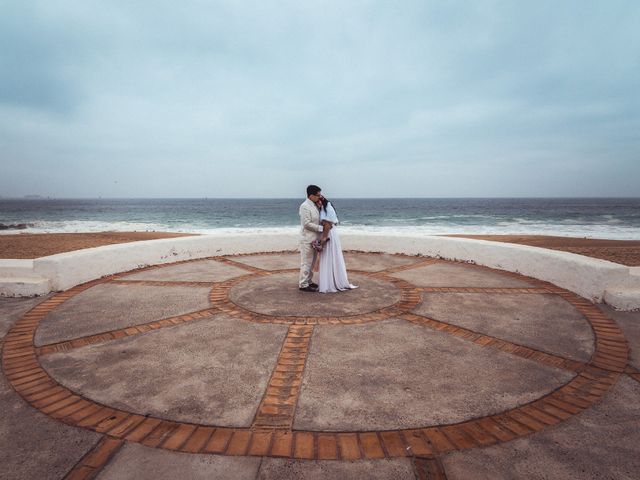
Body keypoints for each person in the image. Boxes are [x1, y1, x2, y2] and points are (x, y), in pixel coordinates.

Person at [316, 196, 358, 293]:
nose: (317, 204)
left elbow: (327, 225)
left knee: (328, 257)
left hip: (329, 234)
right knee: (333, 257)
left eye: (318, 202)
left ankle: (329, 283)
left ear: (321, 201)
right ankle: (333, 280)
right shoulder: (328, 208)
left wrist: (323, 238)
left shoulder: (324, 209)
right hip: (333, 234)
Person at [298, 185, 323, 292]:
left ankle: (309, 281)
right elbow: (307, 224)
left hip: (315, 239)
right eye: (318, 195)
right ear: (311, 195)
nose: (320, 197)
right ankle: (303, 284)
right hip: (307, 239)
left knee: (312, 263)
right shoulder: (304, 206)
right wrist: (321, 228)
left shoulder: (315, 205)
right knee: (306, 262)